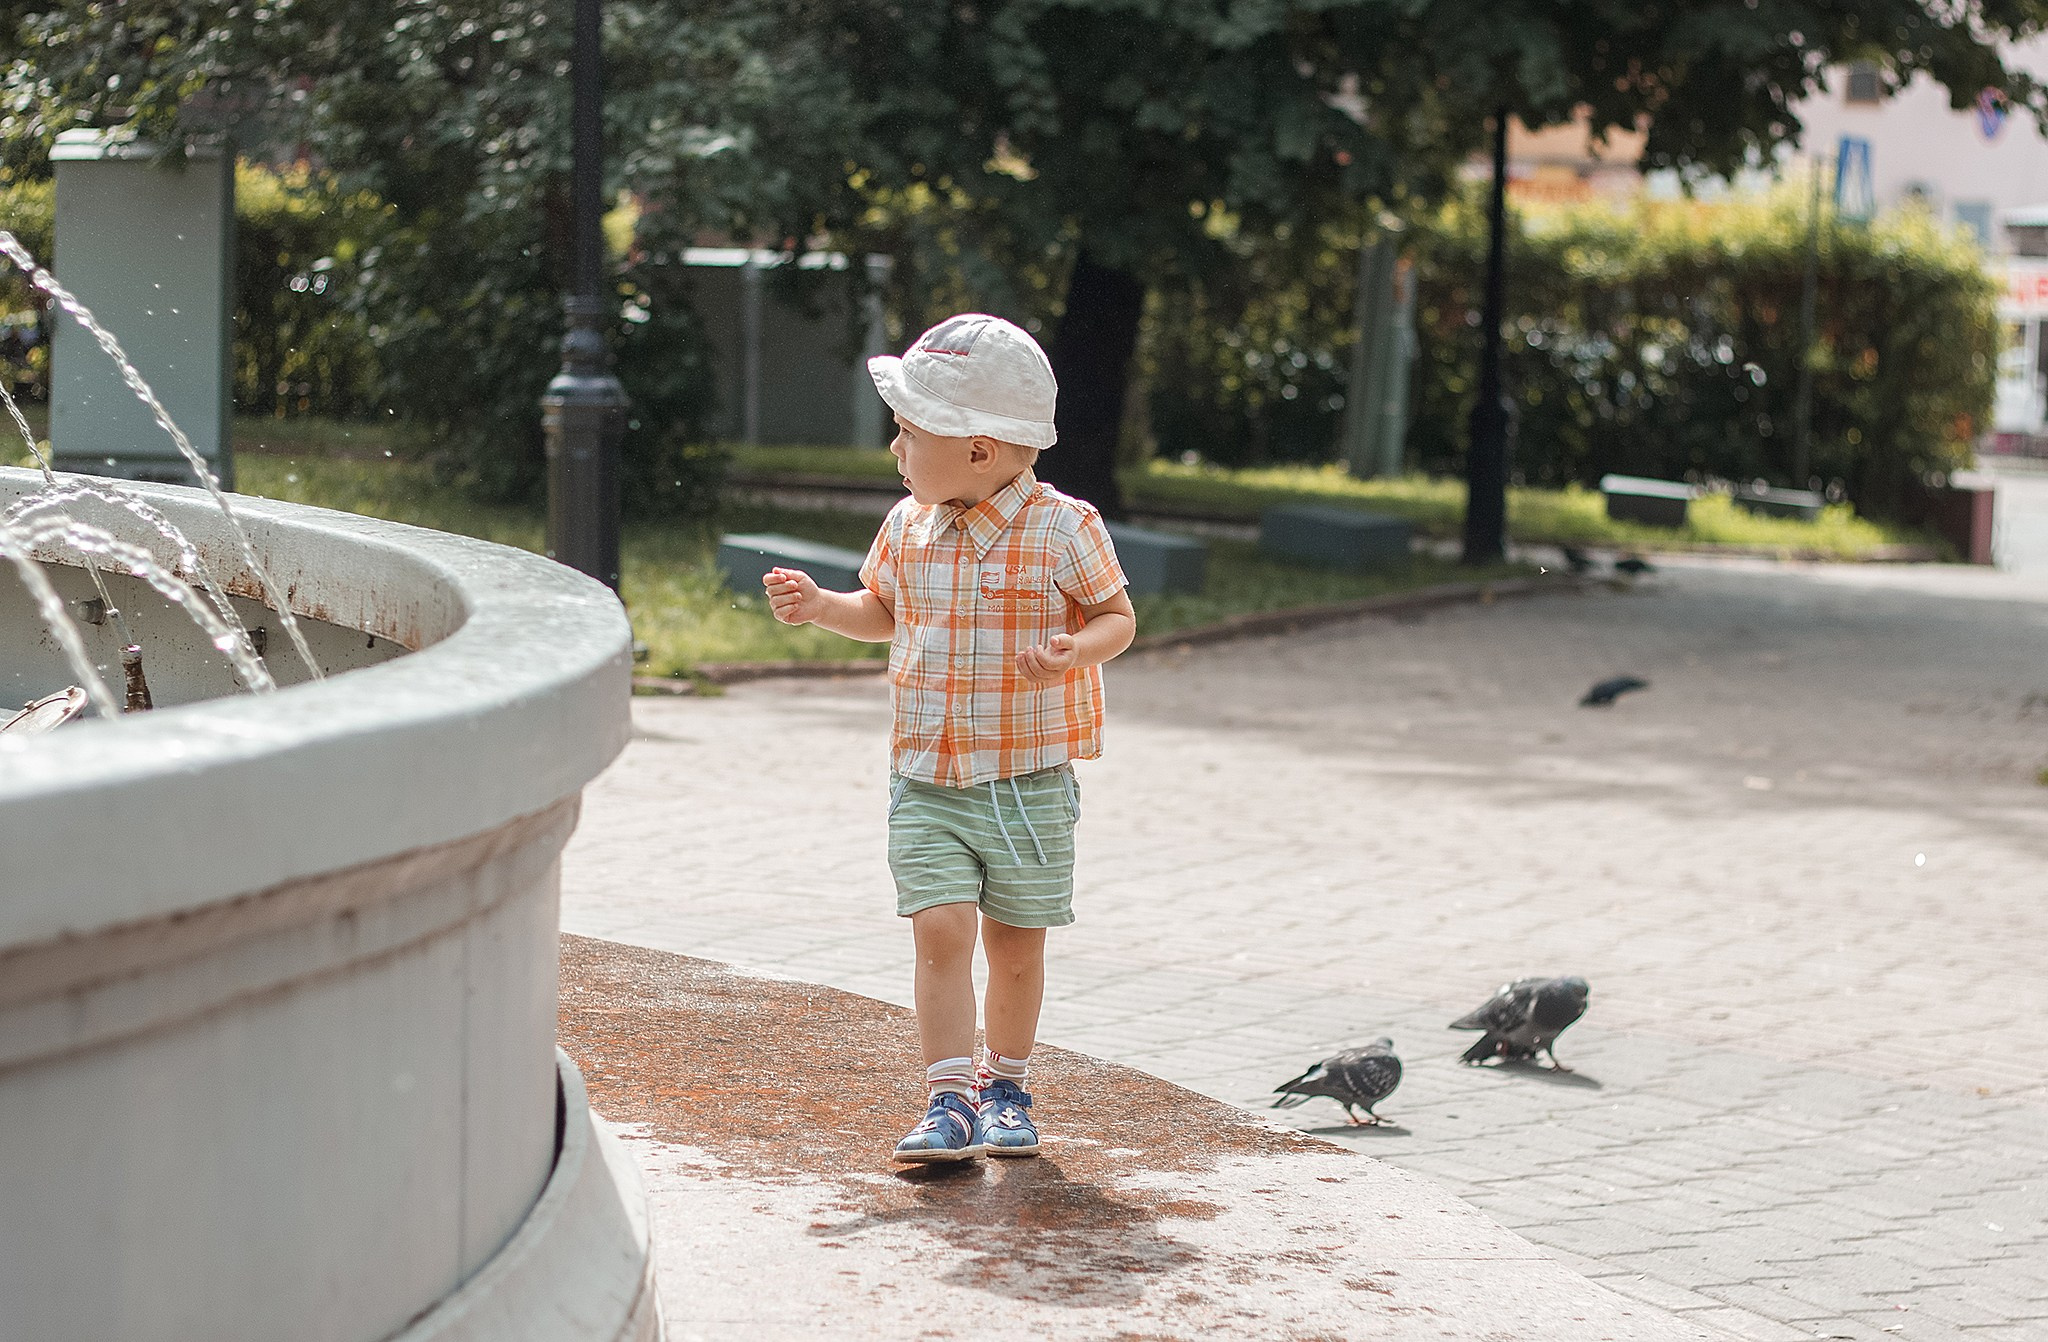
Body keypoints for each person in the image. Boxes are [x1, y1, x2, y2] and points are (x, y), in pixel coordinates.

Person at [763, 313, 1136, 1162]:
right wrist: (825, 607)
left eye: (908, 432)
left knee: (1012, 946)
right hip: (926, 779)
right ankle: (947, 1100)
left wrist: (1077, 648)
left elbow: (1119, 617)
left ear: (980, 448)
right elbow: (885, 612)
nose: (895, 450)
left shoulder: (1064, 528)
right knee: (939, 931)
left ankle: (1004, 1086)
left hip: (1026, 785)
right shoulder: (907, 525)